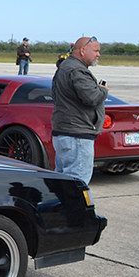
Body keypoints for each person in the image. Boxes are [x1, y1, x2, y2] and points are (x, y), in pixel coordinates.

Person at [51, 36, 108, 185]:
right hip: (77, 136)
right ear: (82, 51)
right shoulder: (77, 70)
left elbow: (55, 95)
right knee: (77, 183)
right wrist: (103, 90)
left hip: (65, 133)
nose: (98, 54)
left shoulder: (65, 67)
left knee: (64, 182)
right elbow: (92, 97)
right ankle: (74, 202)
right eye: (96, 51)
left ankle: (63, 201)